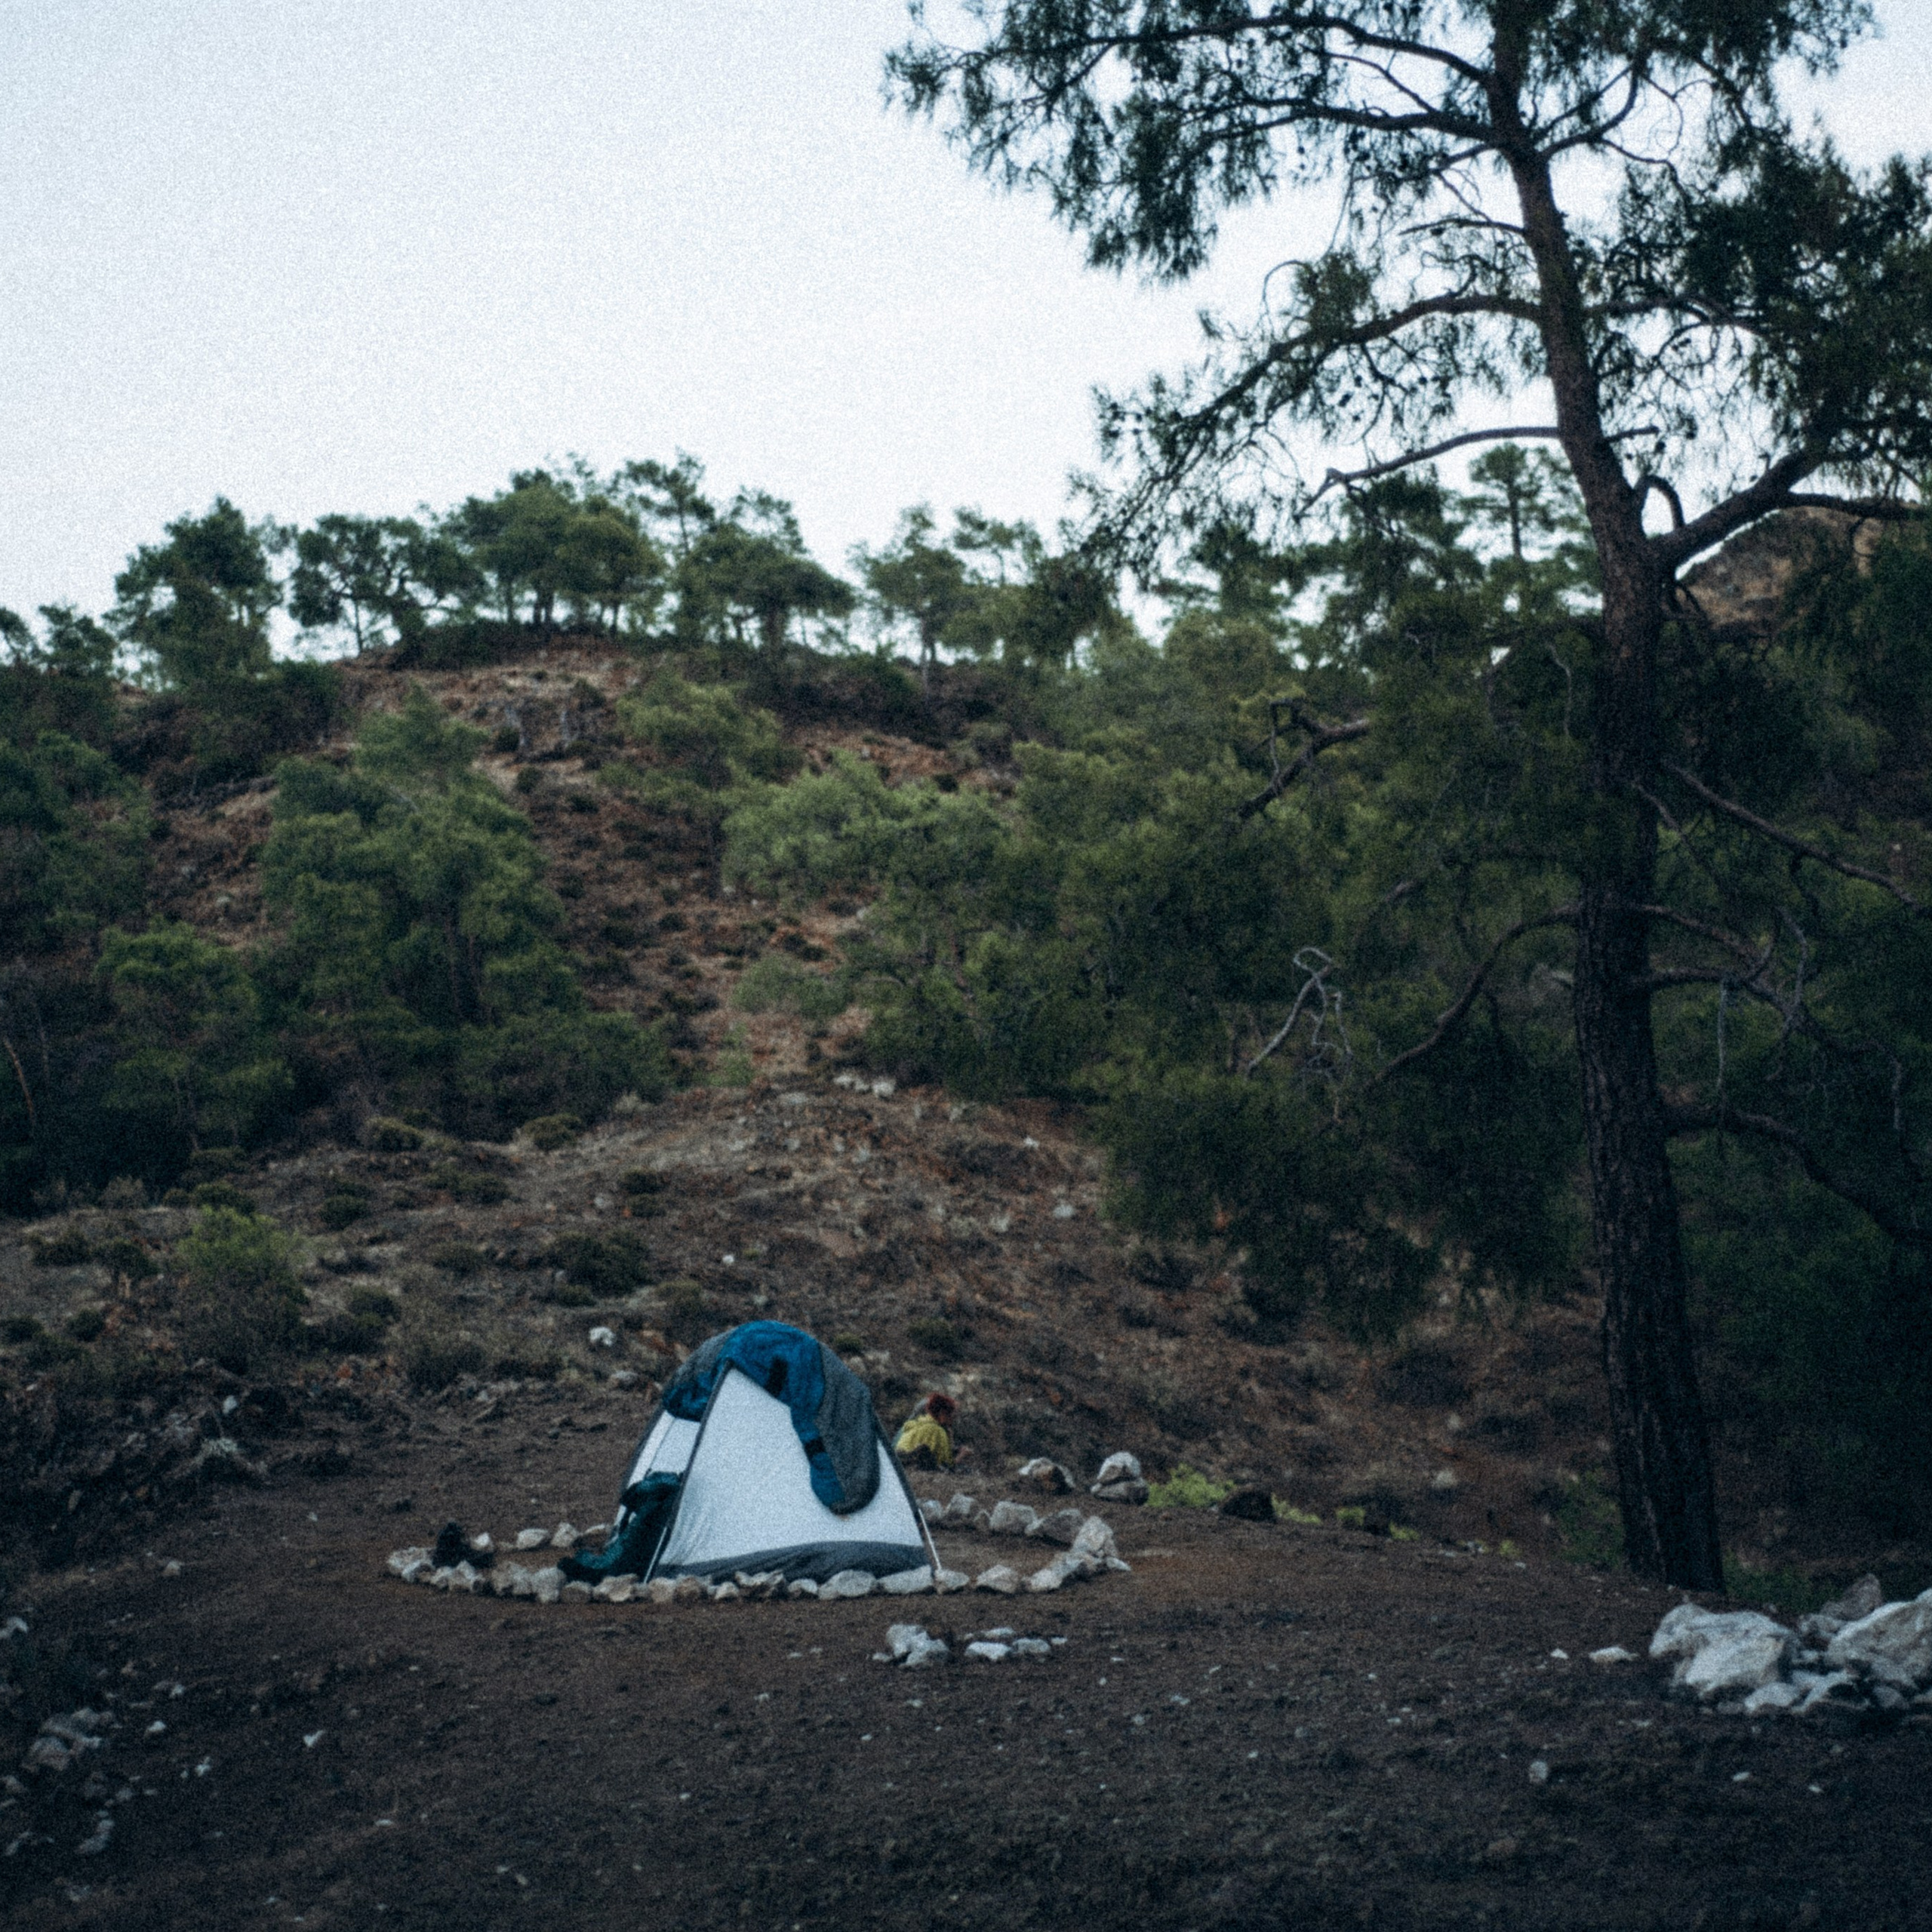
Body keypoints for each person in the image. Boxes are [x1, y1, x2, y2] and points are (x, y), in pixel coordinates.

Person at [894, 1391, 960, 1470]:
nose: (953, 1419)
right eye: (951, 1415)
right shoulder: (938, 1431)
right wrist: (962, 1456)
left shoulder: (914, 1425)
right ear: (942, 1413)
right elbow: (946, 1465)